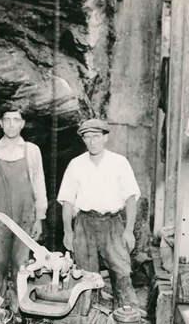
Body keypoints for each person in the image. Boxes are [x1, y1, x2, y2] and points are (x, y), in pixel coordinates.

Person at [58, 118, 141, 310]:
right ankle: (90, 319)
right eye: (87, 137)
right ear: (83, 140)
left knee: (122, 272)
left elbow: (130, 198)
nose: (92, 141)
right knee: (86, 277)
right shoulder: (76, 164)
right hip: (84, 224)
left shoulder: (119, 163)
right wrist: (68, 232)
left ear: (105, 138)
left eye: (96, 136)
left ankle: (126, 319)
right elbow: (68, 202)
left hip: (112, 224)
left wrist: (128, 231)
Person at [0, 105, 47, 299]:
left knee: (21, 263)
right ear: (0, 124)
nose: (11, 124)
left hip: (25, 215)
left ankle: (20, 308)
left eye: (16, 120)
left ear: (22, 124)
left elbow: (39, 183)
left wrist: (40, 217)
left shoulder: (32, 151)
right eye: (7, 120)